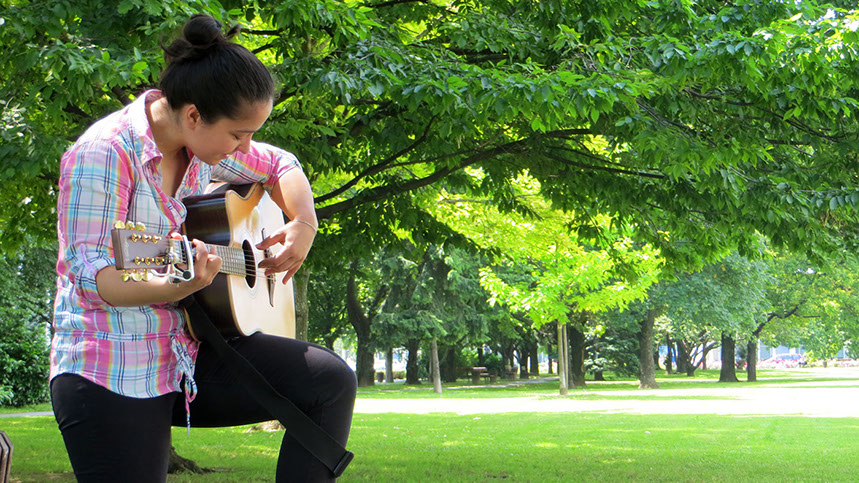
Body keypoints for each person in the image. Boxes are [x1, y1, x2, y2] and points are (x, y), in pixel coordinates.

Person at [50, 14, 357, 482]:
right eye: (239, 134)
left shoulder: (207, 146)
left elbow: (282, 163)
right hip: (110, 366)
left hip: (188, 351)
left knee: (329, 382)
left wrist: (304, 223)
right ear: (193, 114)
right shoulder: (103, 154)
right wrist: (178, 285)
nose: (246, 146)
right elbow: (95, 279)